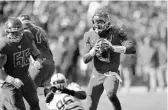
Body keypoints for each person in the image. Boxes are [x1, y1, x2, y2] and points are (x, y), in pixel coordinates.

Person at [83, 11, 136, 110]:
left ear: (107, 22)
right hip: (97, 74)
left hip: (111, 72)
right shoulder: (89, 35)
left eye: (100, 21)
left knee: (111, 93)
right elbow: (85, 59)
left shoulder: (117, 32)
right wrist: (93, 50)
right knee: (90, 105)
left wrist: (113, 48)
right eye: (95, 22)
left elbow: (132, 48)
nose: (97, 24)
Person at [0, 17, 42, 110]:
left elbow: (35, 52)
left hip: (25, 76)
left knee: (35, 103)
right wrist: (11, 80)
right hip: (9, 82)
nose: (14, 36)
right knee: (19, 108)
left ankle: (3, 103)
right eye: (11, 33)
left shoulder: (28, 36)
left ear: (22, 30)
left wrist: (37, 61)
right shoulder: (3, 45)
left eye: (16, 33)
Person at [18, 15, 55, 91]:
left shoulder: (25, 29)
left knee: (27, 93)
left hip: (40, 64)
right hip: (51, 64)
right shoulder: (41, 30)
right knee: (43, 94)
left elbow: (29, 46)